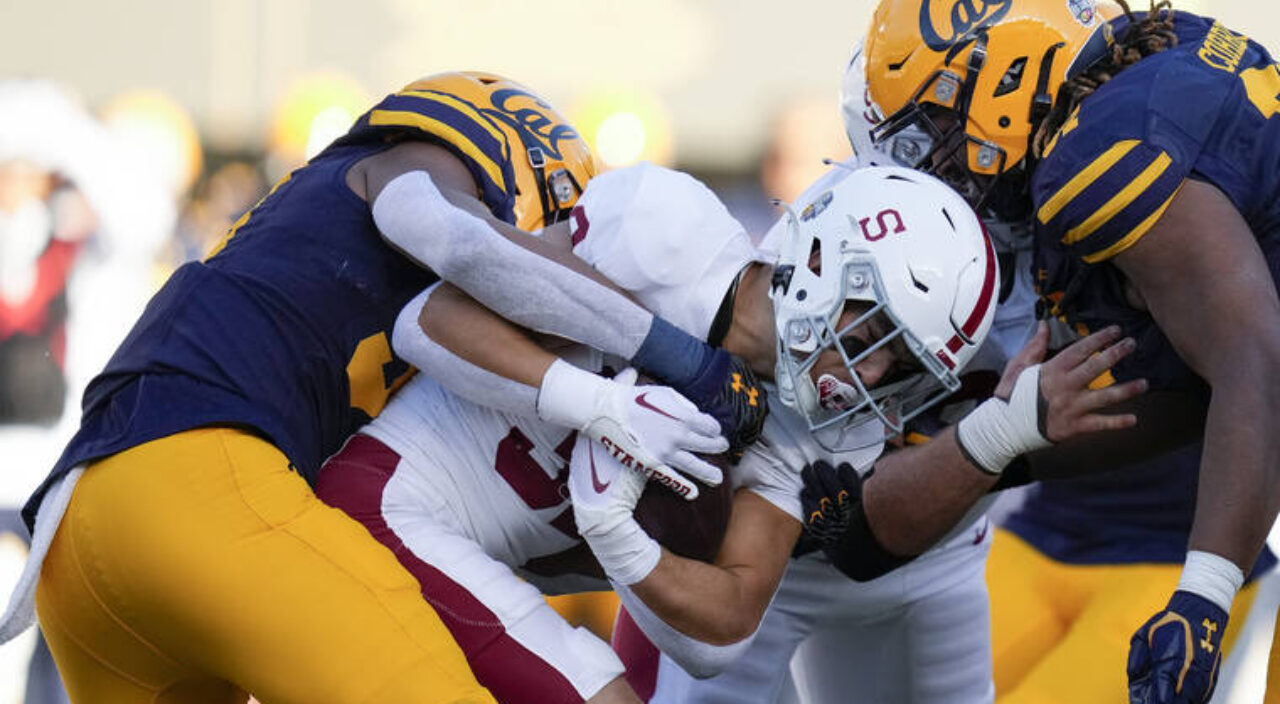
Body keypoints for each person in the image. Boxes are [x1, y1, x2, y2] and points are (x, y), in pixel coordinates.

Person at [0, 71, 763, 704]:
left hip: (82, 551)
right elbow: (446, 232)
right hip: (199, 490)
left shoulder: (320, 238)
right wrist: (680, 357)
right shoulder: (416, 169)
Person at [394, 157, 1142, 703]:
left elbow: (737, 620)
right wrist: (637, 376)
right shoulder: (675, 235)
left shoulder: (837, 426)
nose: (872, 375)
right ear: (822, 252)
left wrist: (611, 521)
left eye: (901, 365)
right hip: (414, 506)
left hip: (539, 558)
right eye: (873, 330)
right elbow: (425, 293)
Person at [858, 0, 1280, 701]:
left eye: (934, 119)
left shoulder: (1091, 161)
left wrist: (1201, 598)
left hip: (1167, 544)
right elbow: (1194, 383)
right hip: (1062, 536)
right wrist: (993, 453)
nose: (934, 157)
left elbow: (1254, 357)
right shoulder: (1159, 51)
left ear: (1004, 82)